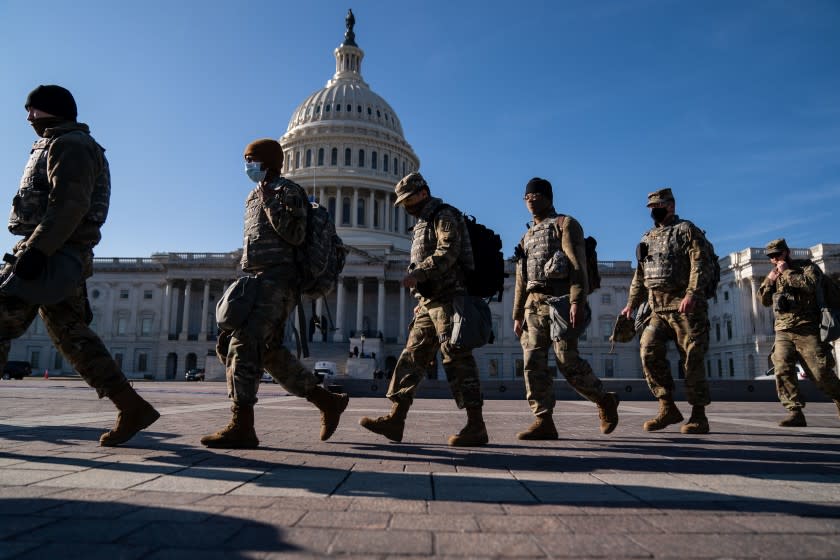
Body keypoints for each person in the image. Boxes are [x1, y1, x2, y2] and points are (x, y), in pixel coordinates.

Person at [0, 85, 159, 446]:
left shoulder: (70, 144)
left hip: (50, 251)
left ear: (51, 111)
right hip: (56, 251)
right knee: (74, 337)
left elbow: (69, 204)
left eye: (33, 111)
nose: (28, 119)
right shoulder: (59, 142)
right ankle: (131, 405)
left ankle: (131, 406)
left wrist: (35, 253)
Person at [201, 139, 348, 448]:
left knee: (243, 344)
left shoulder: (287, 191)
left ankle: (242, 424)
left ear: (268, 162)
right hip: (257, 277)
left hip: (279, 280)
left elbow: (294, 234)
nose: (246, 166)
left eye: (251, 159)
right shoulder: (252, 196)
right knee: (268, 352)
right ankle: (326, 401)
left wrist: (269, 199)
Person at [359, 172, 488, 446]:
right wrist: (420, 297)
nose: (406, 206)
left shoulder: (444, 215)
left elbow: (448, 250)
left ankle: (476, 424)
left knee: (456, 357)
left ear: (423, 193)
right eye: (402, 201)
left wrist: (420, 274)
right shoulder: (421, 223)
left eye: (409, 199)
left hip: (451, 298)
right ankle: (396, 419)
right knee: (412, 357)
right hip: (429, 302)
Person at [512, 177, 619, 439]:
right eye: (527, 197)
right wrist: (516, 314)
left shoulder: (566, 224)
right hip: (533, 306)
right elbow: (521, 279)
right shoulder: (526, 236)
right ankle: (543, 419)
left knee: (566, 361)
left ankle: (604, 400)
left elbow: (577, 266)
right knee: (532, 363)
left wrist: (576, 301)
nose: (531, 201)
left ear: (548, 197)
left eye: (536, 195)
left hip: (560, 302)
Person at [620, 187, 713, 434]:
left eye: (657, 206)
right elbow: (640, 275)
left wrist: (692, 293)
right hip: (657, 308)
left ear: (670, 206)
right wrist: (631, 304)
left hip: (685, 308)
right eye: (651, 208)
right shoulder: (647, 237)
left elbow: (700, 263)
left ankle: (698, 415)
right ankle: (667, 406)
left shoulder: (686, 230)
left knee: (691, 360)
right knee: (648, 352)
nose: (653, 211)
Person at [758, 238, 840, 426]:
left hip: (807, 328)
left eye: (777, 254)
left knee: (820, 373)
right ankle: (795, 411)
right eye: (771, 256)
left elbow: (809, 285)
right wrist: (770, 280)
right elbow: (763, 300)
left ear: (786, 252)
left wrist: (786, 271)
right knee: (782, 368)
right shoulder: (774, 274)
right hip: (783, 331)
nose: (774, 259)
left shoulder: (806, 267)